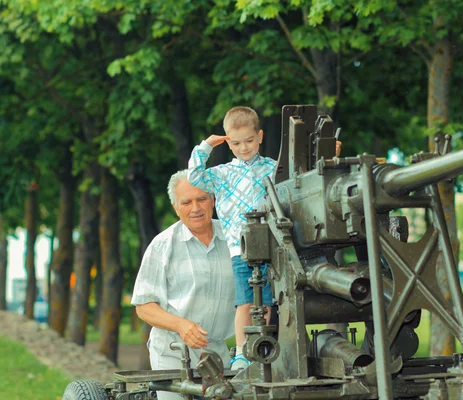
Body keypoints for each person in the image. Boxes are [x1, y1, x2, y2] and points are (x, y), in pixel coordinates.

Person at [187, 106, 341, 370]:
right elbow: (194, 176)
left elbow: (303, 180)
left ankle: (265, 347)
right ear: (228, 142)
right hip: (242, 249)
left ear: (259, 136)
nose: (244, 147)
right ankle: (242, 354)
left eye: (249, 140)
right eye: (236, 143)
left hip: (273, 247)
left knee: (268, 301)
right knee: (246, 301)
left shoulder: (273, 168)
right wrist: (205, 147)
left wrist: (328, 156)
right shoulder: (222, 174)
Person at [131, 170, 235, 400]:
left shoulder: (234, 238)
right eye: (186, 202)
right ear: (175, 207)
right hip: (172, 355)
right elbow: (144, 306)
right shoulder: (162, 246)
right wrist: (181, 325)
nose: (195, 208)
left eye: (202, 199)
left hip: (219, 355)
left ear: (213, 200)